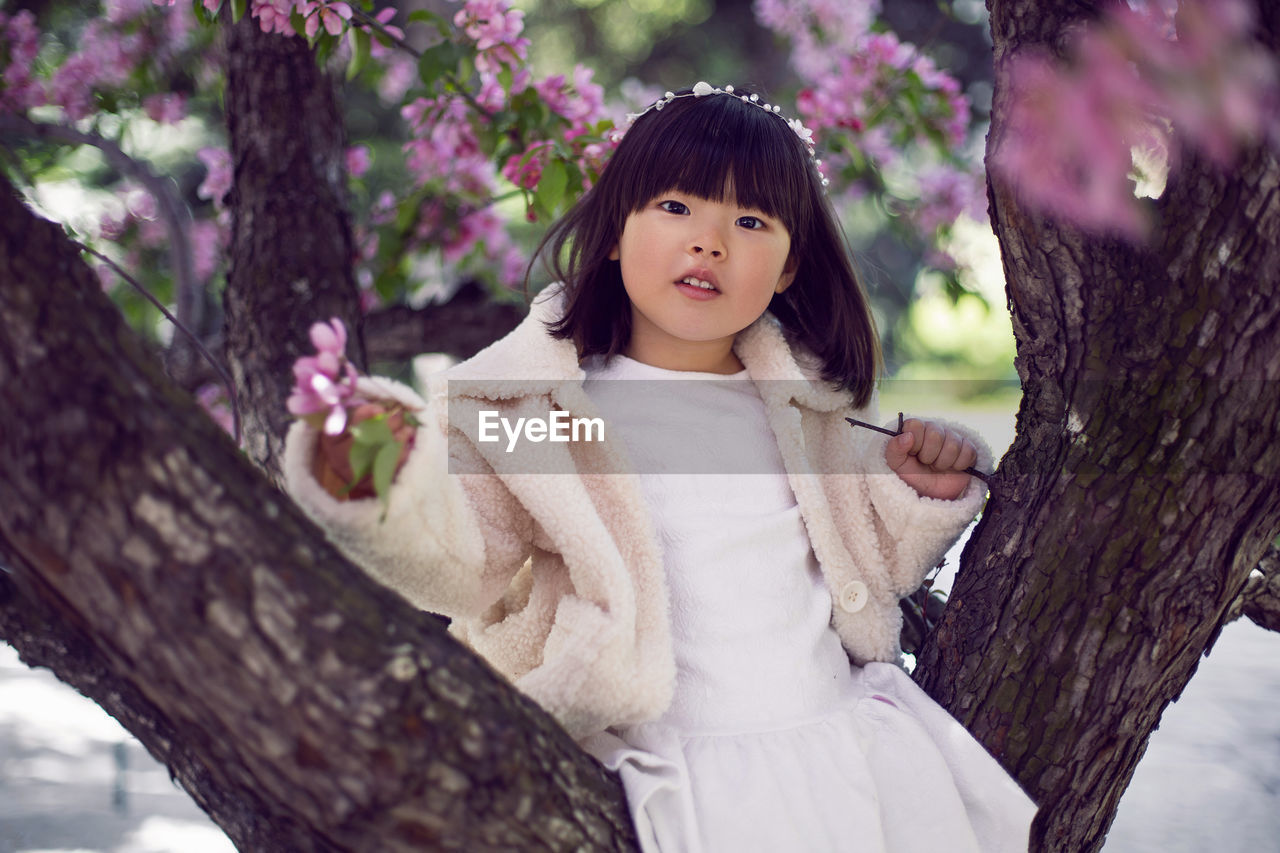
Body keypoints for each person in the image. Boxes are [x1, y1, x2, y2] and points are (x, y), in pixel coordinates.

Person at [284, 83, 1036, 852]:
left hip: (822, 749)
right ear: (614, 233)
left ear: (787, 268)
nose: (709, 241)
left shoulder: (802, 411)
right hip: (653, 766)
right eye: (676, 207)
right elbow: (465, 555)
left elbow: (870, 554)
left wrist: (925, 488)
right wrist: (381, 485)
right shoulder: (554, 410)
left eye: (749, 222)